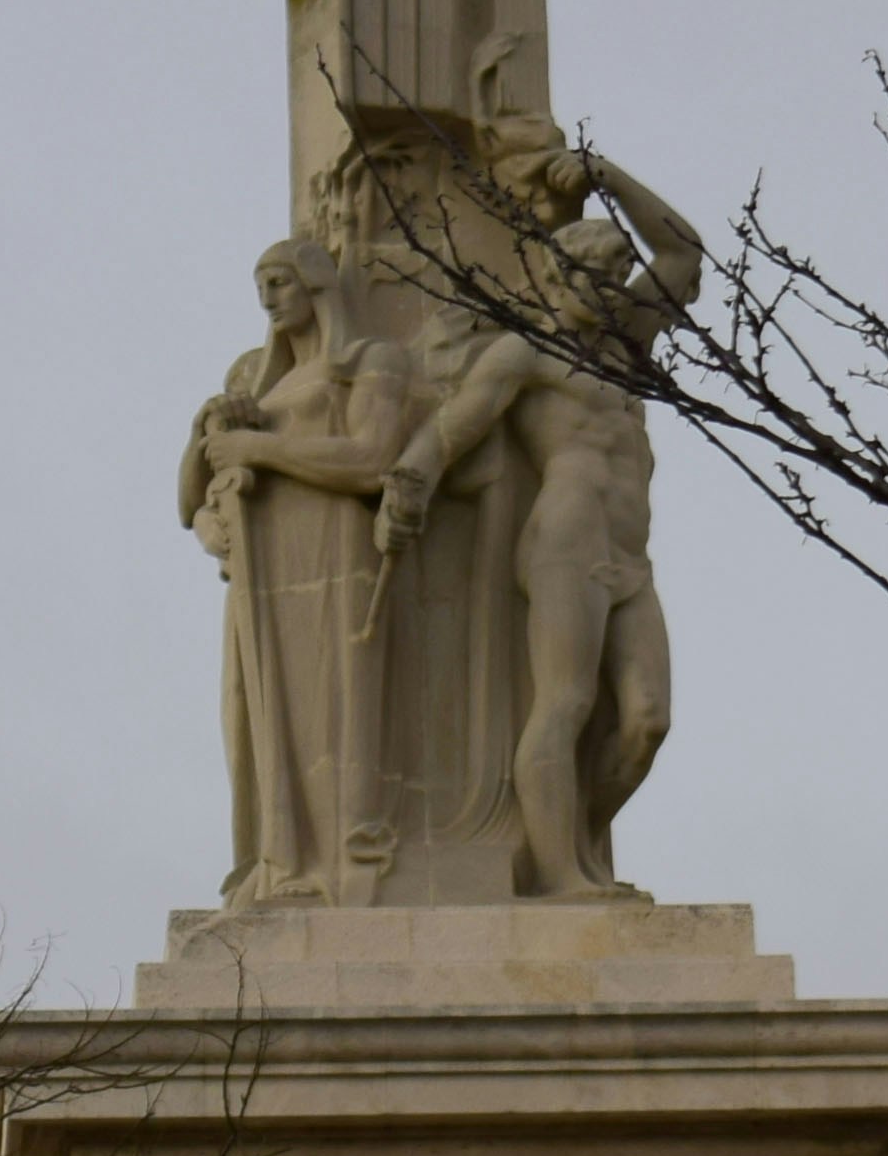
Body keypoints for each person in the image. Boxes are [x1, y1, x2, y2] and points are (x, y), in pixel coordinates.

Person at [372, 122, 703, 901]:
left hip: (631, 555)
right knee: (567, 701)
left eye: (617, 271)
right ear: (561, 279)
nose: (611, 285)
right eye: (594, 271)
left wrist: (605, 173)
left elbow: (685, 253)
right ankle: (559, 872)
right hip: (566, 538)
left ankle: (576, 839)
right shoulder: (527, 351)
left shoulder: (629, 345)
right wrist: (408, 483)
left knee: (646, 719)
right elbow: (456, 426)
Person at [185, 237, 405, 901]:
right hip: (263, 568)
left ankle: (341, 867)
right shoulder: (264, 383)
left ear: (315, 283)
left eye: (280, 281)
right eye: (262, 286)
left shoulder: (369, 361)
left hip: (335, 551)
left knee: (334, 708)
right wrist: (212, 431)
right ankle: (279, 860)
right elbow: (190, 496)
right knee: (251, 716)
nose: (269, 297)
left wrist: (263, 445)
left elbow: (372, 458)